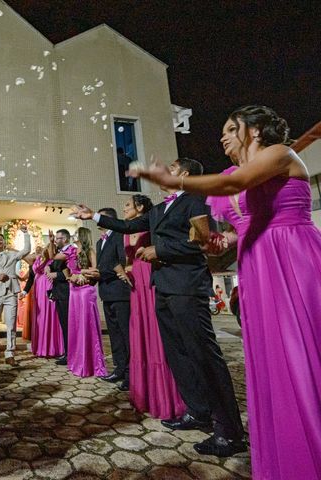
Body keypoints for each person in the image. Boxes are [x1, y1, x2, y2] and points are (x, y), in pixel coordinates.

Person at [129, 105, 321, 478]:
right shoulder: (238, 173)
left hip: (292, 260)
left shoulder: (280, 154)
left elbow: (235, 186)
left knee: (302, 352)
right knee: (272, 361)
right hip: (257, 267)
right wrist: (221, 240)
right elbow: (238, 228)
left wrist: (173, 181)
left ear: (253, 131)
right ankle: (288, 449)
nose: (222, 137)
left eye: (230, 129)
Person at [73, 157, 245, 457]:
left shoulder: (196, 200)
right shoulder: (160, 208)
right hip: (163, 288)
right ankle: (197, 410)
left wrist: (160, 249)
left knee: (204, 354)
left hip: (187, 286)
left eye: (172, 169)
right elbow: (127, 225)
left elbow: (202, 242)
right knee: (178, 353)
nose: (164, 172)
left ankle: (229, 432)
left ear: (186, 174)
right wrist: (94, 217)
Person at [120, 194, 185, 418]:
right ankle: (144, 393)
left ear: (139, 207)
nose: (124, 208)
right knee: (140, 331)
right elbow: (127, 260)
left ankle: (166, 395)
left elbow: (163, 248)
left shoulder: (151, 223)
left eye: (127, 205)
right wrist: (125, 271)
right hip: (135, 281)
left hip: (151, 275)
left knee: (157, 329)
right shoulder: (126, 232)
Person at [51, 228, 105, 377]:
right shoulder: (73, 252)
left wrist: (81, 274)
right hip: (74, 291)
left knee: (87, 326)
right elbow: (60, 262)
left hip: (86, 290)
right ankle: (76, 360)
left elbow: (95, 270)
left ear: (82, 236)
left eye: (75, 234)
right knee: (75, 326)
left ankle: (90, 363)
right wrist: (70, 277)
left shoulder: (90, 251)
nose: (73, 236)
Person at [0, 225, 31, 366]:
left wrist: (26, 234)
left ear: (4, 243)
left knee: (11, 325)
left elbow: (26, 250)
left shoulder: (12, 255)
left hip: (10, 293)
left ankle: (10, 353)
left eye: (1, 240)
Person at [95, 208, 131, 390]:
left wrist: (99, 273)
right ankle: (119, 368)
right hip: (106, 291)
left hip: (120, 291)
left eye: (101, 217)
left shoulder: (119, 236)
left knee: (126, 334)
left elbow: (122, 263)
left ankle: (131, 374)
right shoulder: (99, 242)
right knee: (115, 334)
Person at [28, 247, 65, 358]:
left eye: (50, 248)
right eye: (47, 247)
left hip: (48, 287)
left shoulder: (55, 261)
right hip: (38, 290)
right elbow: (31, 272)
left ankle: (53, 347)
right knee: (40, 317)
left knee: (51, 316)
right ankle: (41, 347)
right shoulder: (37, 258)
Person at [45, 229, 73, 365]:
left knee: (69, 325)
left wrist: (57, 275)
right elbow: (51, 263)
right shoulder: (60, 253)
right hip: (58, 293)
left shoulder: (71, 251)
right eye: (55, 238)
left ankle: (70, 354)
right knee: (64, 325)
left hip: (67, 293)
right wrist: (48, 268)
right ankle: (67, 352)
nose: (56, 240)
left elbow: (74, 270)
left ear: (66, 239)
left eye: (58, 238)